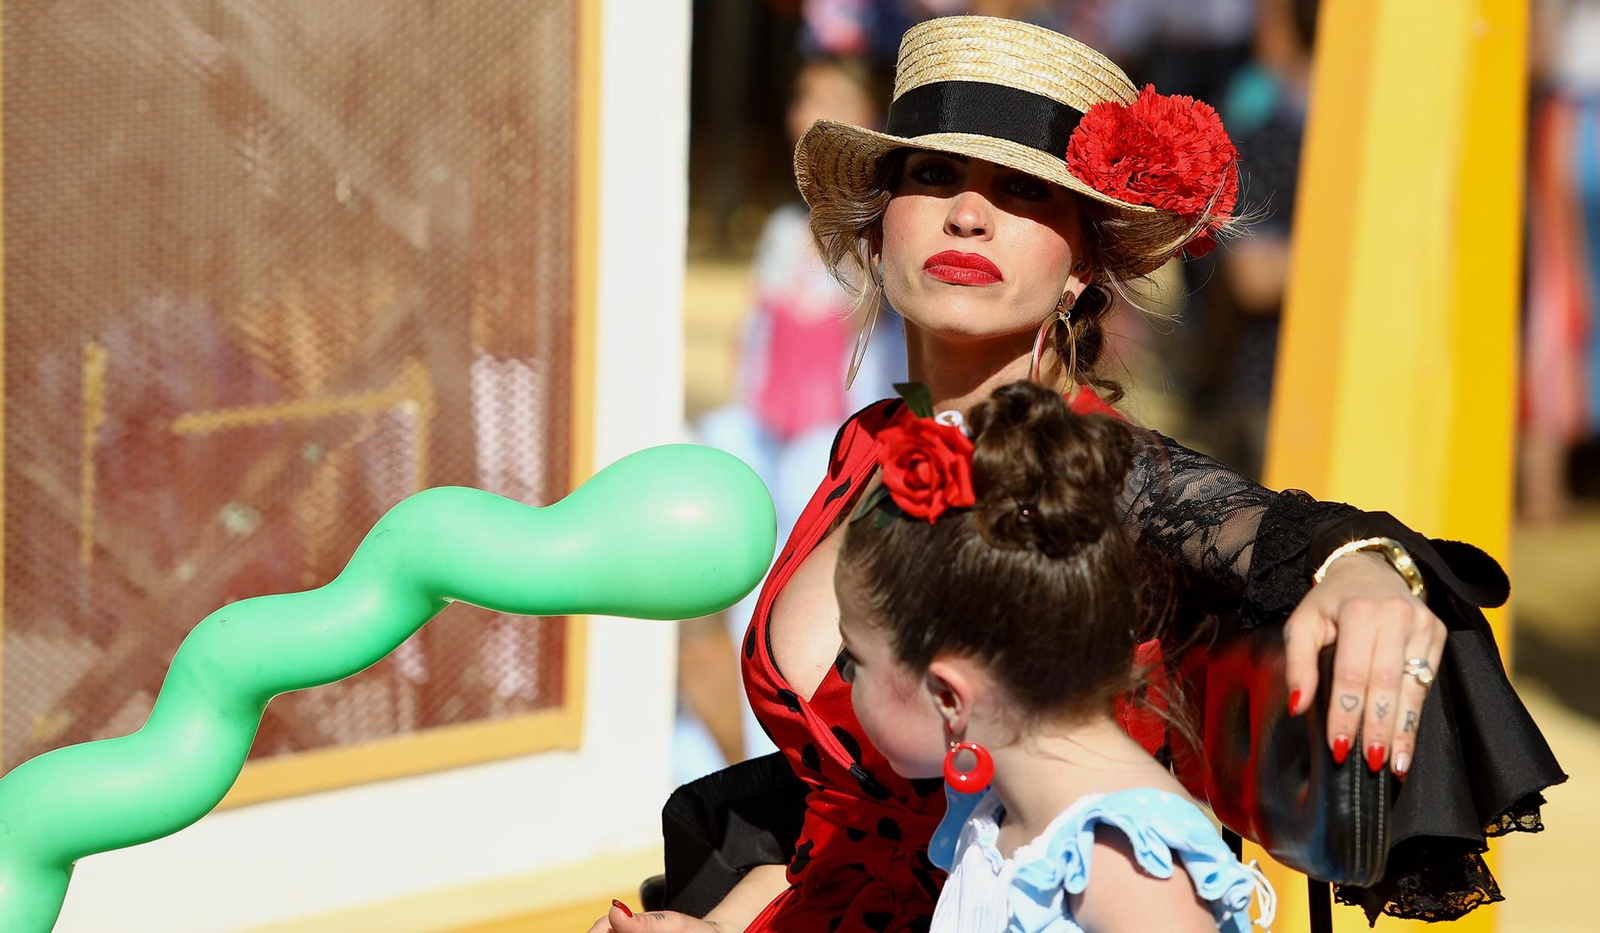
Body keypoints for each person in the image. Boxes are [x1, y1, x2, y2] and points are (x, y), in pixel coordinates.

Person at [592, 15, 1563, 933]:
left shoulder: (1092, 474)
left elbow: (1271, 531)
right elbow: (835, 822)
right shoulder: (864, 448)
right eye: (933, 175)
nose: (968, 214)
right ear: (880, 226)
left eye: (1022, 191)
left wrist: (1359, 569)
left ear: (1080, 266)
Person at [836, 380, 1274, 932]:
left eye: (853, 661)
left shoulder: (1127, 866)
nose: (846, 680)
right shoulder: (1004, 813)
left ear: (949, 696)